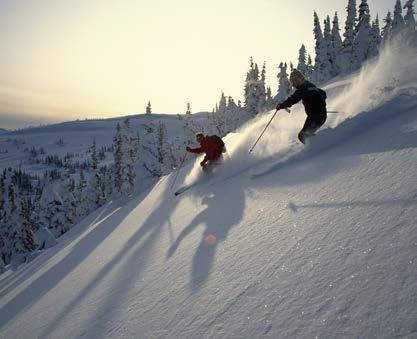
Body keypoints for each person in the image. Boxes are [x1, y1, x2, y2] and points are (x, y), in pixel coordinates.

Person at [276, 69, 327, 144]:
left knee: (303, 135)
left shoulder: (303, 87)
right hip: (320, 115)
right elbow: (323, 93)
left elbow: (293, 99)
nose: (293, 84)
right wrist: (319, 104)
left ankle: (321, 147)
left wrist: (281, 105)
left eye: (293, 81)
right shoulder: (310, 85)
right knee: (306, 134)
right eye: (291, 82)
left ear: (298, 79)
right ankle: (321, 144)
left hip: (315, 116)